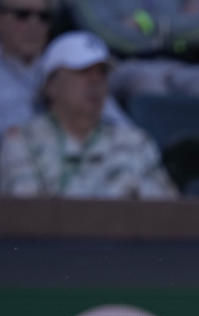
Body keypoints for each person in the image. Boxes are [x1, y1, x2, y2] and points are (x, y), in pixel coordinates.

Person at [0, 30, 177, 198]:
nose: (95, 81)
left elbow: (165, 214)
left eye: (102, 73)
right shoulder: (22, 141)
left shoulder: (135, 142)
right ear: (51, 85)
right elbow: (26, 215)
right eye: (82, 71)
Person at [0, 0, 127, 141]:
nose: (34, 25)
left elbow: (121, 126)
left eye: (44, 16)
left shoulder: (69, 63)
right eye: (22, 15)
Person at [66, 0, 199, 100]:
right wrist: (180, 26)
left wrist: (148, 24)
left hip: (182, 64)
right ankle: (155, 155)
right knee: (148, 80)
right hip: (125, 65)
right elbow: (110, 36)